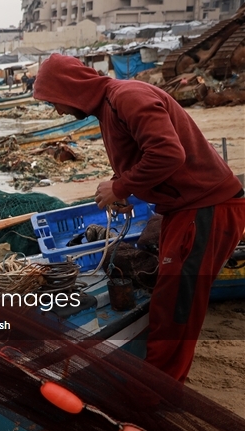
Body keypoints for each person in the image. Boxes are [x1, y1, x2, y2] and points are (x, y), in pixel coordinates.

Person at [33, 54, 245, 382]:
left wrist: (120, 186)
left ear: (69, 89)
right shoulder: (109, 108)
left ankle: (158, 396)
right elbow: (147, 156)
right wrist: (128, 192)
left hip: (207, 209)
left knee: (175, 309)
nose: (58, 111)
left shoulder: (127, 97)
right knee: (170, 301)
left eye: (54, 102)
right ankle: (162, 382)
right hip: (184, 208)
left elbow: (168, 153)